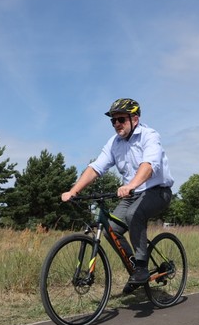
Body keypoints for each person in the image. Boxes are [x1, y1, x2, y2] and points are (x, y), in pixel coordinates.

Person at [62, 98, 173, 293]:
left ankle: (141, 267)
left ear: (135, 119)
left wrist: (131, 184)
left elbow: (149, 165)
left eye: (120, 119)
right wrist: (74, 190)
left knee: (133, 215)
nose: (116, 125)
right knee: (110, 230)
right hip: (132, 194)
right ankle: (134, 270)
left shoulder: (150, 136)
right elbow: (96, 167)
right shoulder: (114, 143)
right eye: (112, 121)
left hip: (157, 191)